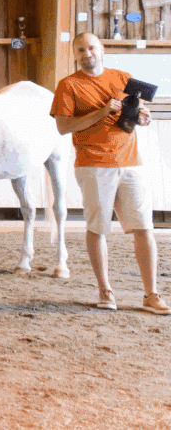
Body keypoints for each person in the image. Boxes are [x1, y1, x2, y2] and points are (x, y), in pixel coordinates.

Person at [51, 32, 169, 314]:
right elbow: (64, 127)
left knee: (144, 227)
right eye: (80, 50)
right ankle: (105, 290)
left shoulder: (123, 78)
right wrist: (101, 112)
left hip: (131, 163)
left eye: (91, 47)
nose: (87, 53)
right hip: (93, 165)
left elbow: (138, 111)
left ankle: (151, 294)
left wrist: (143, 117)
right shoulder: (68, 86)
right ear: (75, 55)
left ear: (101, 49)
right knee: (98, 228)